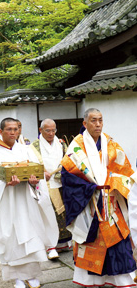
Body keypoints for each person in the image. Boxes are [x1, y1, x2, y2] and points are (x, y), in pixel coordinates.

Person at [61, 108, 136, 287]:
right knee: (91, 241)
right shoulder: (76, 147)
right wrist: (91, 188)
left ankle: (123, 279)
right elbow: (68, 176)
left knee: (119, 239)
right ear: (85, 124)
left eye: (100, 120)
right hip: (89, 203)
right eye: (93, 121)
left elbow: (124, 170)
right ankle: (90, 280)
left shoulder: (110, 143)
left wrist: (115, 183)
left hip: (111, 201)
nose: (98, 124)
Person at [0, 117, 59, 288]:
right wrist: (4, 183)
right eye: (9, 129)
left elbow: (37, 175)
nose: (12, 133)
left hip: (27, 201)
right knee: (12, 240)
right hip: (6, 204)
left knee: (32, 236)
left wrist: (34, 182)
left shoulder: (26, 150)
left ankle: (31, 275)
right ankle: (17, 278)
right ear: (1, 132)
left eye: (16, 129)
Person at [30, 119, 71, 260]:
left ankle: (63, 243)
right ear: (40, 130)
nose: (51, 133)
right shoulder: (33, 147)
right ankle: (50, 246)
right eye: (48, 130)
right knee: (48, 214)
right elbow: (30, 165)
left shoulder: (61, 143)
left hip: (61, 182)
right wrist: (41, 172)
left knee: (63, 213)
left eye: (54, 130)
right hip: (44, 185)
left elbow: (68, 159)